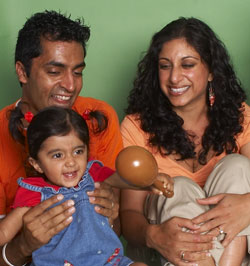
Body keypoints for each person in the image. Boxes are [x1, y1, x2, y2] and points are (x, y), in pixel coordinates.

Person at [120, 17, 250, 266]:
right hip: (173, 255)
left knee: (238, 166)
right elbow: (129, 214)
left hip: (237, 255)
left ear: (211, 70)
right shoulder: (135, 127)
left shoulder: (240, 115)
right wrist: (152, 235)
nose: (174, 78)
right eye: (165, 66)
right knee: (176, 188)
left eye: (187, 64)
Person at [0, 10, 122, 265]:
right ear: (22, 72)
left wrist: (111, 213)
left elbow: (116, 231)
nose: (70, 85)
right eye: (55, 71)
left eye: (77, 72)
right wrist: (23, 246)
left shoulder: (99, 117)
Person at [0, 106, 171, 265]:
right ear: (36, 164)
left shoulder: (92, 174)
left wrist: (150, 182)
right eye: (58, 155)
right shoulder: (34, 192)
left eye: (78, 151)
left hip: (109, 261)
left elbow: (124, 179)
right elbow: (5, 232)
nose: (71, 162)